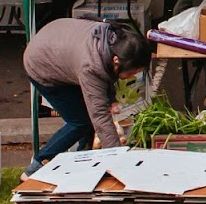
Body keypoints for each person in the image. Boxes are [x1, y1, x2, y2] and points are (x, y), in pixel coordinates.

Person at [22, 19, 151, 176]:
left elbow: (107, 72)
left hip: (57, 44)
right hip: (41, 64)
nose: (131, 76)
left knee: (86, 116)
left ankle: (83, 158)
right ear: (116, 61)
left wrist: (111, 98)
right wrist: (119, 158)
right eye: (131, 73)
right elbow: (99, 116)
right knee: (80, 121)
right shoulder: (91, 66)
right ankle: (37, 164)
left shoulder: (114, 41)